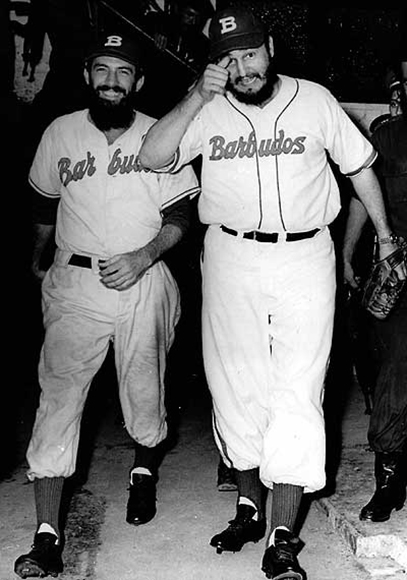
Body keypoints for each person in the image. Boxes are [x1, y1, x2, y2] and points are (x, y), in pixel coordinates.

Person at [137, 6, 406, 579]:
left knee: (298, 386)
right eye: (229, 58)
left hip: (305, 255)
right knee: (235, 385)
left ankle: (282, 535)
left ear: (272, 48)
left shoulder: (315, 100)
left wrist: (383, 238)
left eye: (251, 53)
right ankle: (247, 508)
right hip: (231, 253)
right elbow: (152, 156)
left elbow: (360, 168)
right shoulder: (206, 110)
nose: (243, 67)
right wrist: (193, 96)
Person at [14, 30, 199, 579]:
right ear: (88, 75)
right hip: (76, 281)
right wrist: (38, 256)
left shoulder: (160, 134)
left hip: (143, 276)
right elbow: (45, 206)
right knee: (59, 397)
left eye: (123, 72)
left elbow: (183, 217)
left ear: (139, 81)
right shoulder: (60, 132)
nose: (112, 81)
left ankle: (143, 472)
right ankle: (47, 533)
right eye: (103, 70)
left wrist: (144, 256)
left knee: (144, 389)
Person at [342, 58, 407, 524]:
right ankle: (389, 481)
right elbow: (362, 198)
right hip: (401, 273)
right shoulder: (386, 139)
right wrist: (346, 253)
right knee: (396, 369)